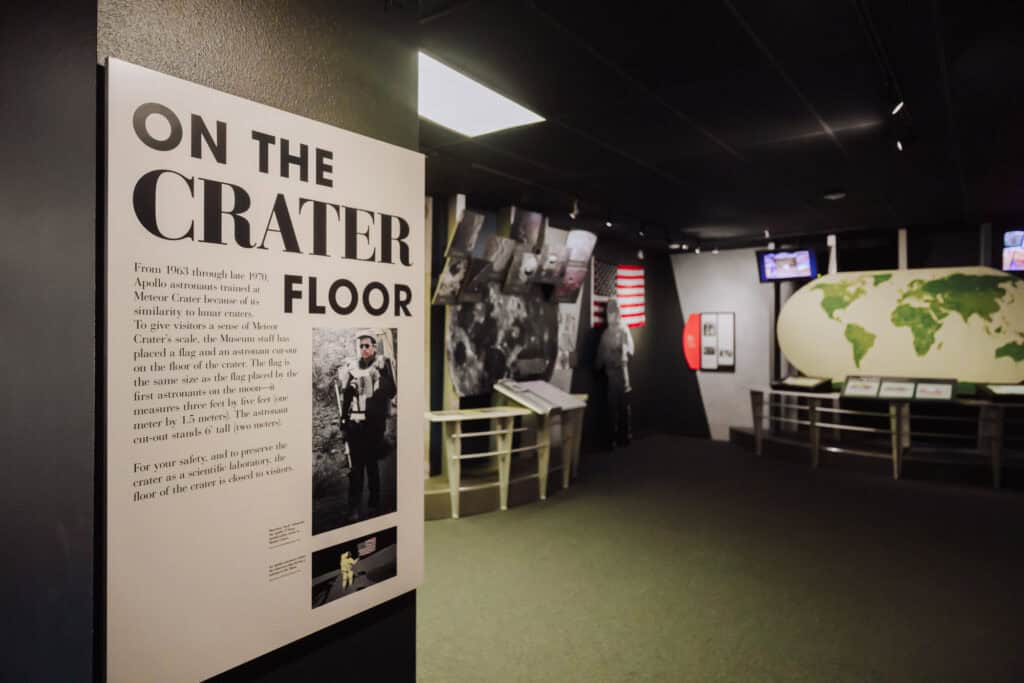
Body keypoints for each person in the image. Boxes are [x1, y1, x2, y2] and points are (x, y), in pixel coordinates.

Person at [336, 331, 396, 522]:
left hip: (374, 424)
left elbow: (392, 390)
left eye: (367, 345)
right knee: (356, 468)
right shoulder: (353, 367)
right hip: (356, 424)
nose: (363, 349)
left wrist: (381, 377)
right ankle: (353, 507)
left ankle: (374, 504)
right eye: (361, 346)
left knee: (371, 465)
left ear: (374, 347)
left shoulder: (382, 364)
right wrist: (343, 419)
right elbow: (346, 396)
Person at [595, 299, 634, 447]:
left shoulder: (623, 330)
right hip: (611, 374)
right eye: (611, 313)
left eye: (615, 312)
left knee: (624, 405)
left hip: (621, 372)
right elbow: (600, 356)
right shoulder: (606, 334)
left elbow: (627, 352)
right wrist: (598, 363)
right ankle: (612, 437)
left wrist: (626, 379)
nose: (613, 316)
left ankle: (626, 435)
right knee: (612, 407)